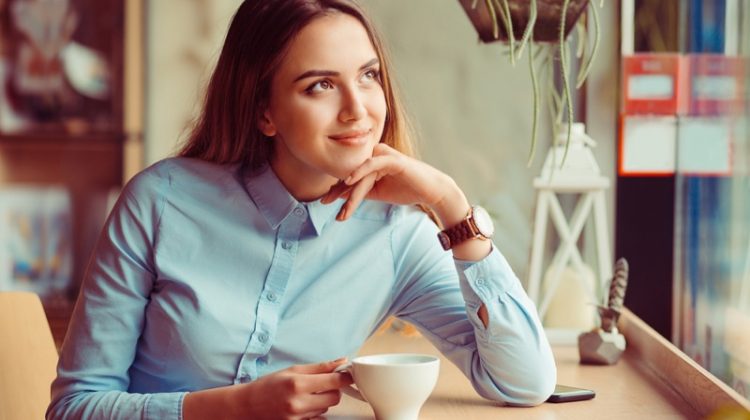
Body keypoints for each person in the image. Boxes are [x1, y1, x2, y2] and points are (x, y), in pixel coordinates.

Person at [47, 1, 556, 419]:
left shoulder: (397, 236)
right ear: (264, 111)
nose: (358, 109)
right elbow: (75, 407)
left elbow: (522, 380)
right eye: (320, 85)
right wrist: (234, 408)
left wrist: (449, 203)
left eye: (368, 76)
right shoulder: (160, 203)